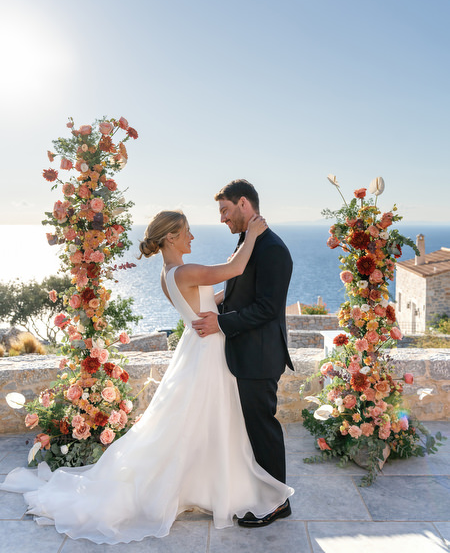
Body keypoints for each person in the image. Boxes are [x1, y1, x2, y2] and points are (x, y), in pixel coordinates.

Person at [0, 210, 293, 544]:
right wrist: (252, 234)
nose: (192, 238)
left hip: (198, 346)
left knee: (200, 423)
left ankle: (215, 485)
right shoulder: (187, 270)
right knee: (209, 421)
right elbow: (235, 269)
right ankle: (216, 487)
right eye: (187, 232)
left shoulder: (169, 274)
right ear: (170, 237)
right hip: (208, 349)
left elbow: (206, 301)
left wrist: (234, 296)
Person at [192, 179, 294, 527]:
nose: (222, 218)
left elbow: (267, 308)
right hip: (245, 352)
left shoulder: (272, 249)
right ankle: (260, 492)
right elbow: (240, 293)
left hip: (260, 355)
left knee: (262, 428)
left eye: (224, 210)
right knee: (250, 428)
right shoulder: (249, 242)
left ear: (244, 205)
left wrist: (220, 324)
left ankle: (277, 502)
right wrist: (214, 305)